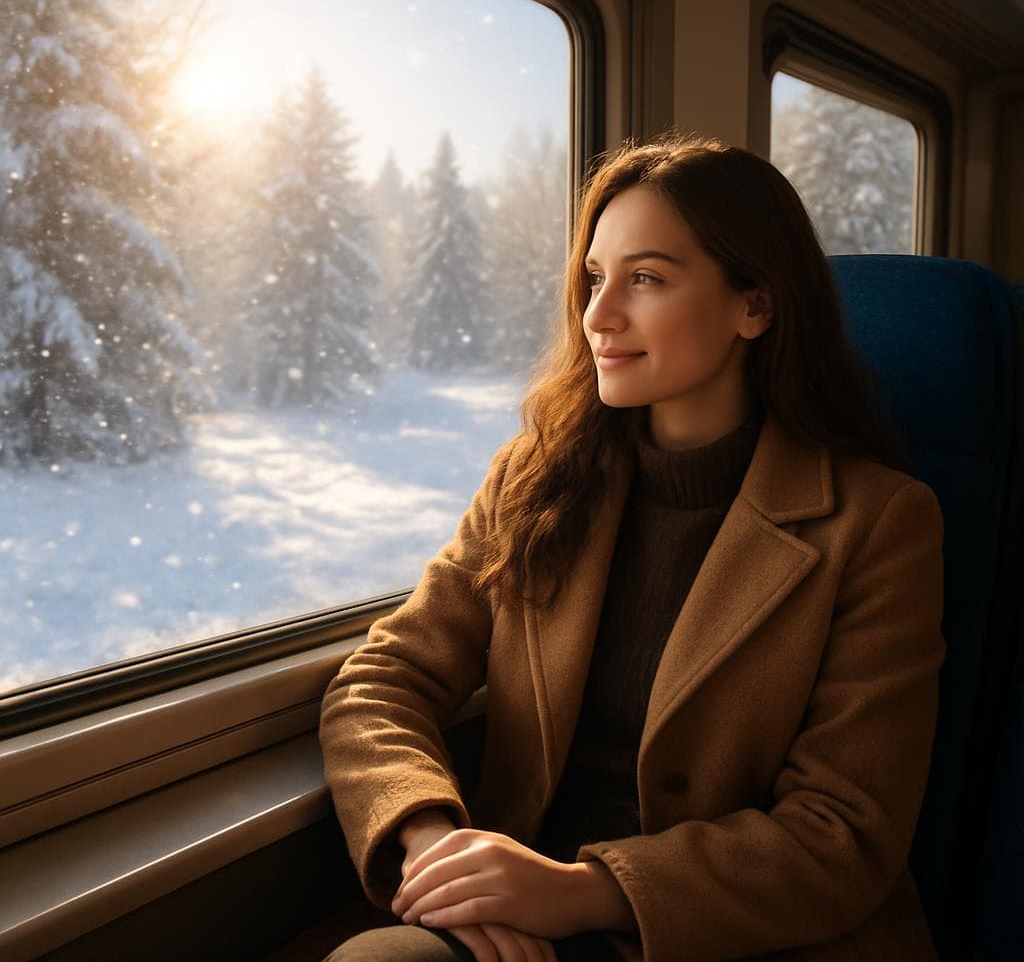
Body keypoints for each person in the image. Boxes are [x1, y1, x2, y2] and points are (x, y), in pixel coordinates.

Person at [318, 134, 945, 962]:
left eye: (644, 279)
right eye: (594, 279)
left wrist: (581, 891)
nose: (598, 315)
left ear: (754, 305)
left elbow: (841, 835)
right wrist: (437, 848)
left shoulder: (879, 523)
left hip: (744, 937)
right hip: (523, 917)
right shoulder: (537, 478)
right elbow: (381, 680)